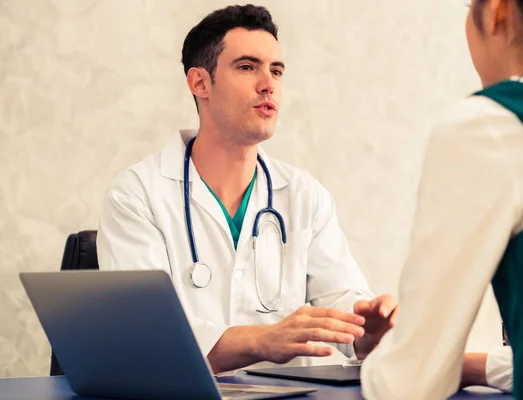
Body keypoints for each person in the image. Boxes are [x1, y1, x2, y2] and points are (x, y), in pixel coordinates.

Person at [96, 4, 398, 374]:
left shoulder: (305, 195)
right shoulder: (138, 194)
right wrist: (263, 340)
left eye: (276, 70)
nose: (268, 83)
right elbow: (145, 338)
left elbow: (344, 307)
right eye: (246, 67)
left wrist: (370, 328)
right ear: (199, 83)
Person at [361, 0, 523, 398]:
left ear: (497, 11)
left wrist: (385, 355)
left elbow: (409, 386)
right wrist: (473, 366)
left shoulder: (495, 124)